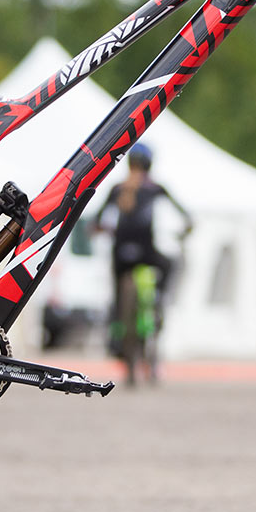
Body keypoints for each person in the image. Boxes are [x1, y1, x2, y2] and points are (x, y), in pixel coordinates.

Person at [95, 144, 192, 385]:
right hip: (147, 253)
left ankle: (116, 324)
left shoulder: (117, 189)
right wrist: (184, 231)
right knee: (170, 266)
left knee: (117, 297)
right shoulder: (156, 188)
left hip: (121, 255)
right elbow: (185, 216)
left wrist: (102, 229)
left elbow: (97, 220)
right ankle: (160, 300)